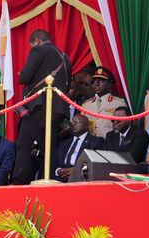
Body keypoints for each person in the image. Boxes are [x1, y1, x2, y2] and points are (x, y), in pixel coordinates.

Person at [13, 29, 71, 185]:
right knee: (49, 145)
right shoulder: (66, 58)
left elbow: (26, 76)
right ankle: (49, 179)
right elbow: (68, 84)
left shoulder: (39, 50)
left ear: (37, 41)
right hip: (59, 109)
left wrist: (21, 74)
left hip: (40, 105)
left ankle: (19, 181)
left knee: (23, 143)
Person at [54, 113, 104, 181]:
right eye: (72, 122)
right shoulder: (64, 143)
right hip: (61, 181)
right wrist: (59, 171)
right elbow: (55, 164)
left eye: (77, 122)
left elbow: (96, 165)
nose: (73, 124)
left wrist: (76, 171)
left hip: (81, 181)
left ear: (86, 126)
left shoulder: (95, 142)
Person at [82, 66, 127, 139]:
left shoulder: (119, 103)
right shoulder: (86, 104)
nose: (97, 83)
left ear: (109, 84)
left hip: (108, 144)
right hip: (88, 144)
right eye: (95, 80)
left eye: (101, 80)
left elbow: (122, 127)